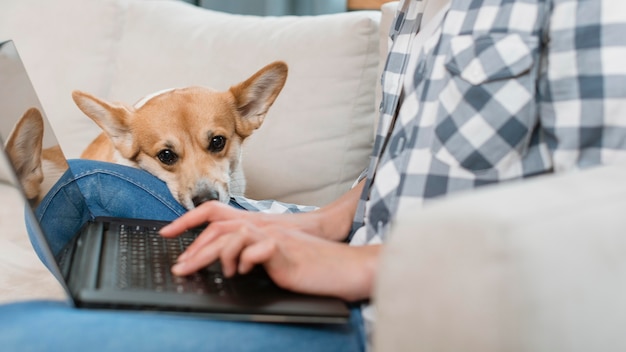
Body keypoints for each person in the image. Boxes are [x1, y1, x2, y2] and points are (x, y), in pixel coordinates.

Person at [3, 0, 626, 351]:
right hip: (333, 253)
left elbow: (608, 223)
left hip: (396, 305)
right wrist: (315, 229)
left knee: (17, 333)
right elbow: (388, 176)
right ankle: (130, 284)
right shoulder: (415, 13)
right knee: (81, 186)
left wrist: (361, 267)